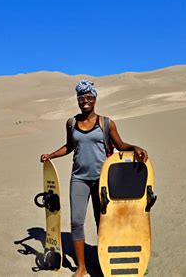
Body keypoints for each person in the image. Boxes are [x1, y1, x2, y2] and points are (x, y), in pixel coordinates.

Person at [40, 80, 148, 277]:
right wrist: (51, 155)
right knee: (76, 222)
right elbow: (69, 146)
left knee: (103, 222)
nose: (85, 101)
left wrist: (135, 147)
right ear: (78, 100)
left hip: (103, 180)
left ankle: (103, 261)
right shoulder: (71, 123)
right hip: (79, 178)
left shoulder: (106, 123)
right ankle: (81, 267)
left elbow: (120, 145)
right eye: (81, 98)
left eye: (89, 97)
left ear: (95, 99)